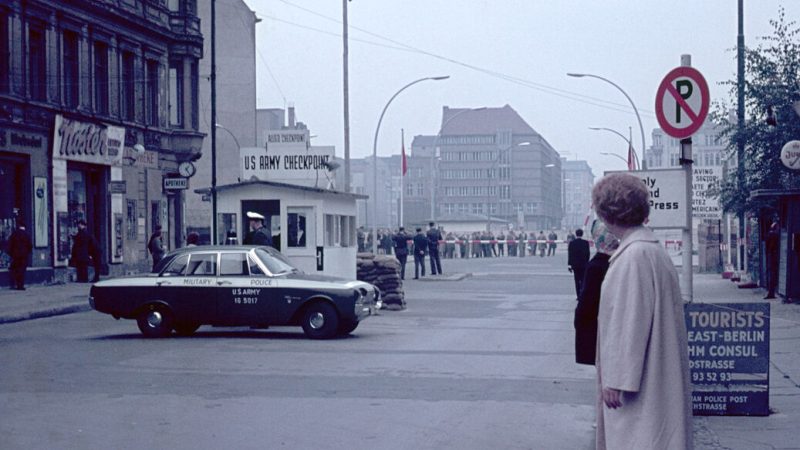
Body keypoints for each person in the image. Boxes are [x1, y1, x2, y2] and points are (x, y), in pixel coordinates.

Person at [591, 172, 692, 449]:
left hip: (639, 383)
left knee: (639, 437)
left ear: (607, 213)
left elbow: (630, 321)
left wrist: (616, 379)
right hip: (653, 371)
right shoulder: (648, 249)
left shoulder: (634, 256)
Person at [574, 220, 619, 366]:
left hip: (601, 331)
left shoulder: (596, 266)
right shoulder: (622, 259)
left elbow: (587, 304)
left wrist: (578, 322)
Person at [8, 219, 33, 290]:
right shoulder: (27, 235)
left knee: (16, 269)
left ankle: (14, 284)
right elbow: (30, 246)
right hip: (24, 256)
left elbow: (10, 244)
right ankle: (20, 285)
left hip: (15, 256)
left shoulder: (14, 234)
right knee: (22, 270)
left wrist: (11, 254)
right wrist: (27, 253)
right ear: (24, 227)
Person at [567, 228, 591, 298]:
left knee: (576, 280)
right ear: (582, 234)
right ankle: (583, 294)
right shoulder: (586, 243)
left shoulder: (572, 243)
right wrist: (587, 262)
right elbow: (588, 254)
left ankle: (578, 295)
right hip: (584, 265)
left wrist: (569, 265)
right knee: (583, 279)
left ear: (576, 234)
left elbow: (570, 255)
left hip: (575, 265)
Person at [764, 221, 780, 299]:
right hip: (773, 254)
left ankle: (771, 292)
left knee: (771, 273)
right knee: (773, 273)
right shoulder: (774, 234)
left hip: (770, 254)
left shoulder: (769, 234)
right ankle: (771, 293)